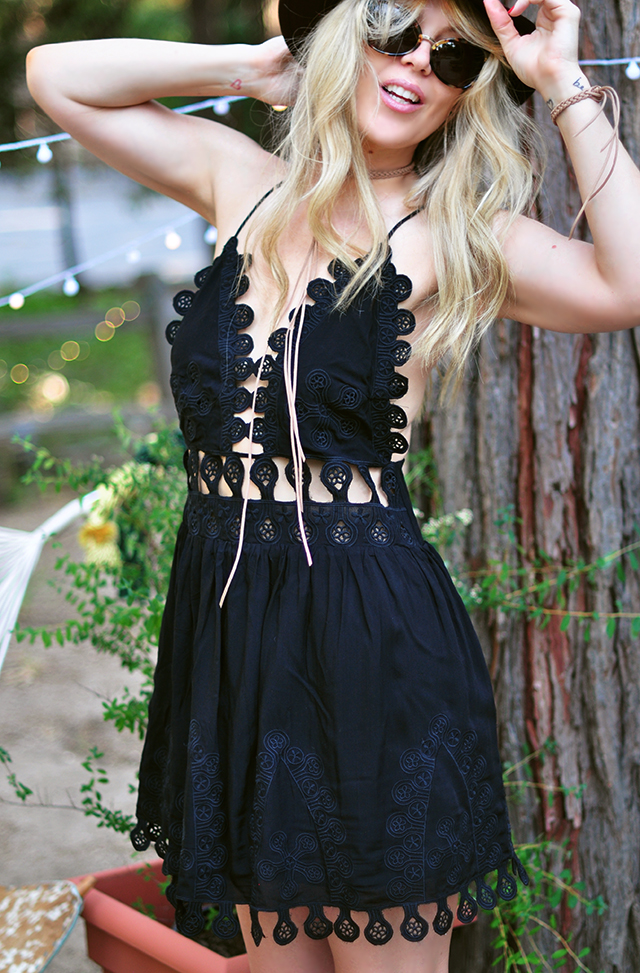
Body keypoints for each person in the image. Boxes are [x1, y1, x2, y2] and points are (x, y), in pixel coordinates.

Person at [26, 1, 640, 970]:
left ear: (466, 92)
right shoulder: (237, 178)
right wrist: (258, 66)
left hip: (373, 642)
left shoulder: (457, 232)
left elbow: (630, 279)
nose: (416, 63)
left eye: (452, 56)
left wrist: (560, 81)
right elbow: (58, 76)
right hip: (232, 637)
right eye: (392, 26)